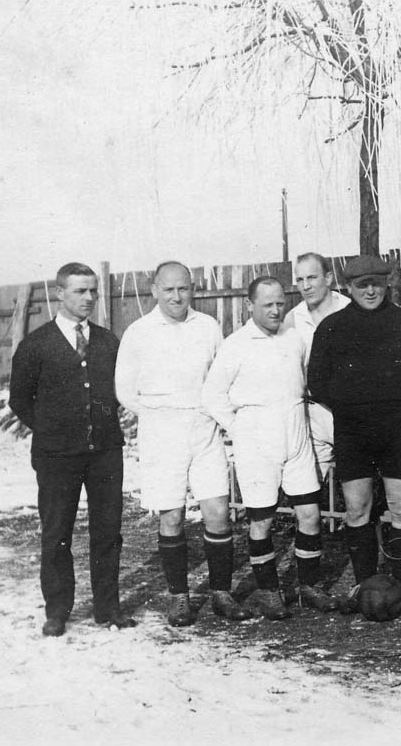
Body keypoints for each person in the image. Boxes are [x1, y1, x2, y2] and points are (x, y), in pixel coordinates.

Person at [115, 261, 249, 627]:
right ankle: (179, 598)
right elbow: (124, 391)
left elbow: (220, 378)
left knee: (217, 512)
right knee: (172, 516)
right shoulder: (138, 332)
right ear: (154, 291)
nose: (176, 296)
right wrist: (158, 414)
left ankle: (221, 593)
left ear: (192, 289)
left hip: (203, 428)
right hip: (162, 433)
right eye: (169, 289)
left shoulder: (207, 326)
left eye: (183, 288)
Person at [9, 262, 135, 637]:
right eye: (80, 291)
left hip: (105, 453)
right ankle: (57, 611)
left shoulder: (109, 342)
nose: (89, 298)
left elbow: (120, 391)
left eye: (93, 290)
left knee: (108, 531)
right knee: (57, 533)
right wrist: (54, 430)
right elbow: (19, 400)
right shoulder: (36, 345)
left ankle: (107, 608)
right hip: (56, 457)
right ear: (60, 293)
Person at [202, 276, 338, 620]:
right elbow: (212, 396)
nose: (276, 310)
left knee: (310, 514)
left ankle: (308, 587)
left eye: (280, 303)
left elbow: (305, 383)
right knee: (261, 521)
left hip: (296, 436)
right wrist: (241, 430)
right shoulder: (236, 345)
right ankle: (269, 592)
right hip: (257, 443)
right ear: (250, 306)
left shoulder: (294, 338)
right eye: (268, 305)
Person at [306, 255, 401, 613]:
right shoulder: (331, 327)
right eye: (362, 285)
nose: (371, 291)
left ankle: (398, 587)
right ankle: (364, 585)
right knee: (358, 510)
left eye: (377, 283)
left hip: (397, 428)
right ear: (348, 287)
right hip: (352, 431)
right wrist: (351, 405)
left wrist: (394, 402)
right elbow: (317, 382)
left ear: (387, 282)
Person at [281, 252, 351, 480]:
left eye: (312, 278)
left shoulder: (349, 310)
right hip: (312, 412)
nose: (306, 286)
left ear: (328, 278)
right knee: (314, 483)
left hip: (349, 411)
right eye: (300, 280)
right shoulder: (293, 318)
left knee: (358, 482)